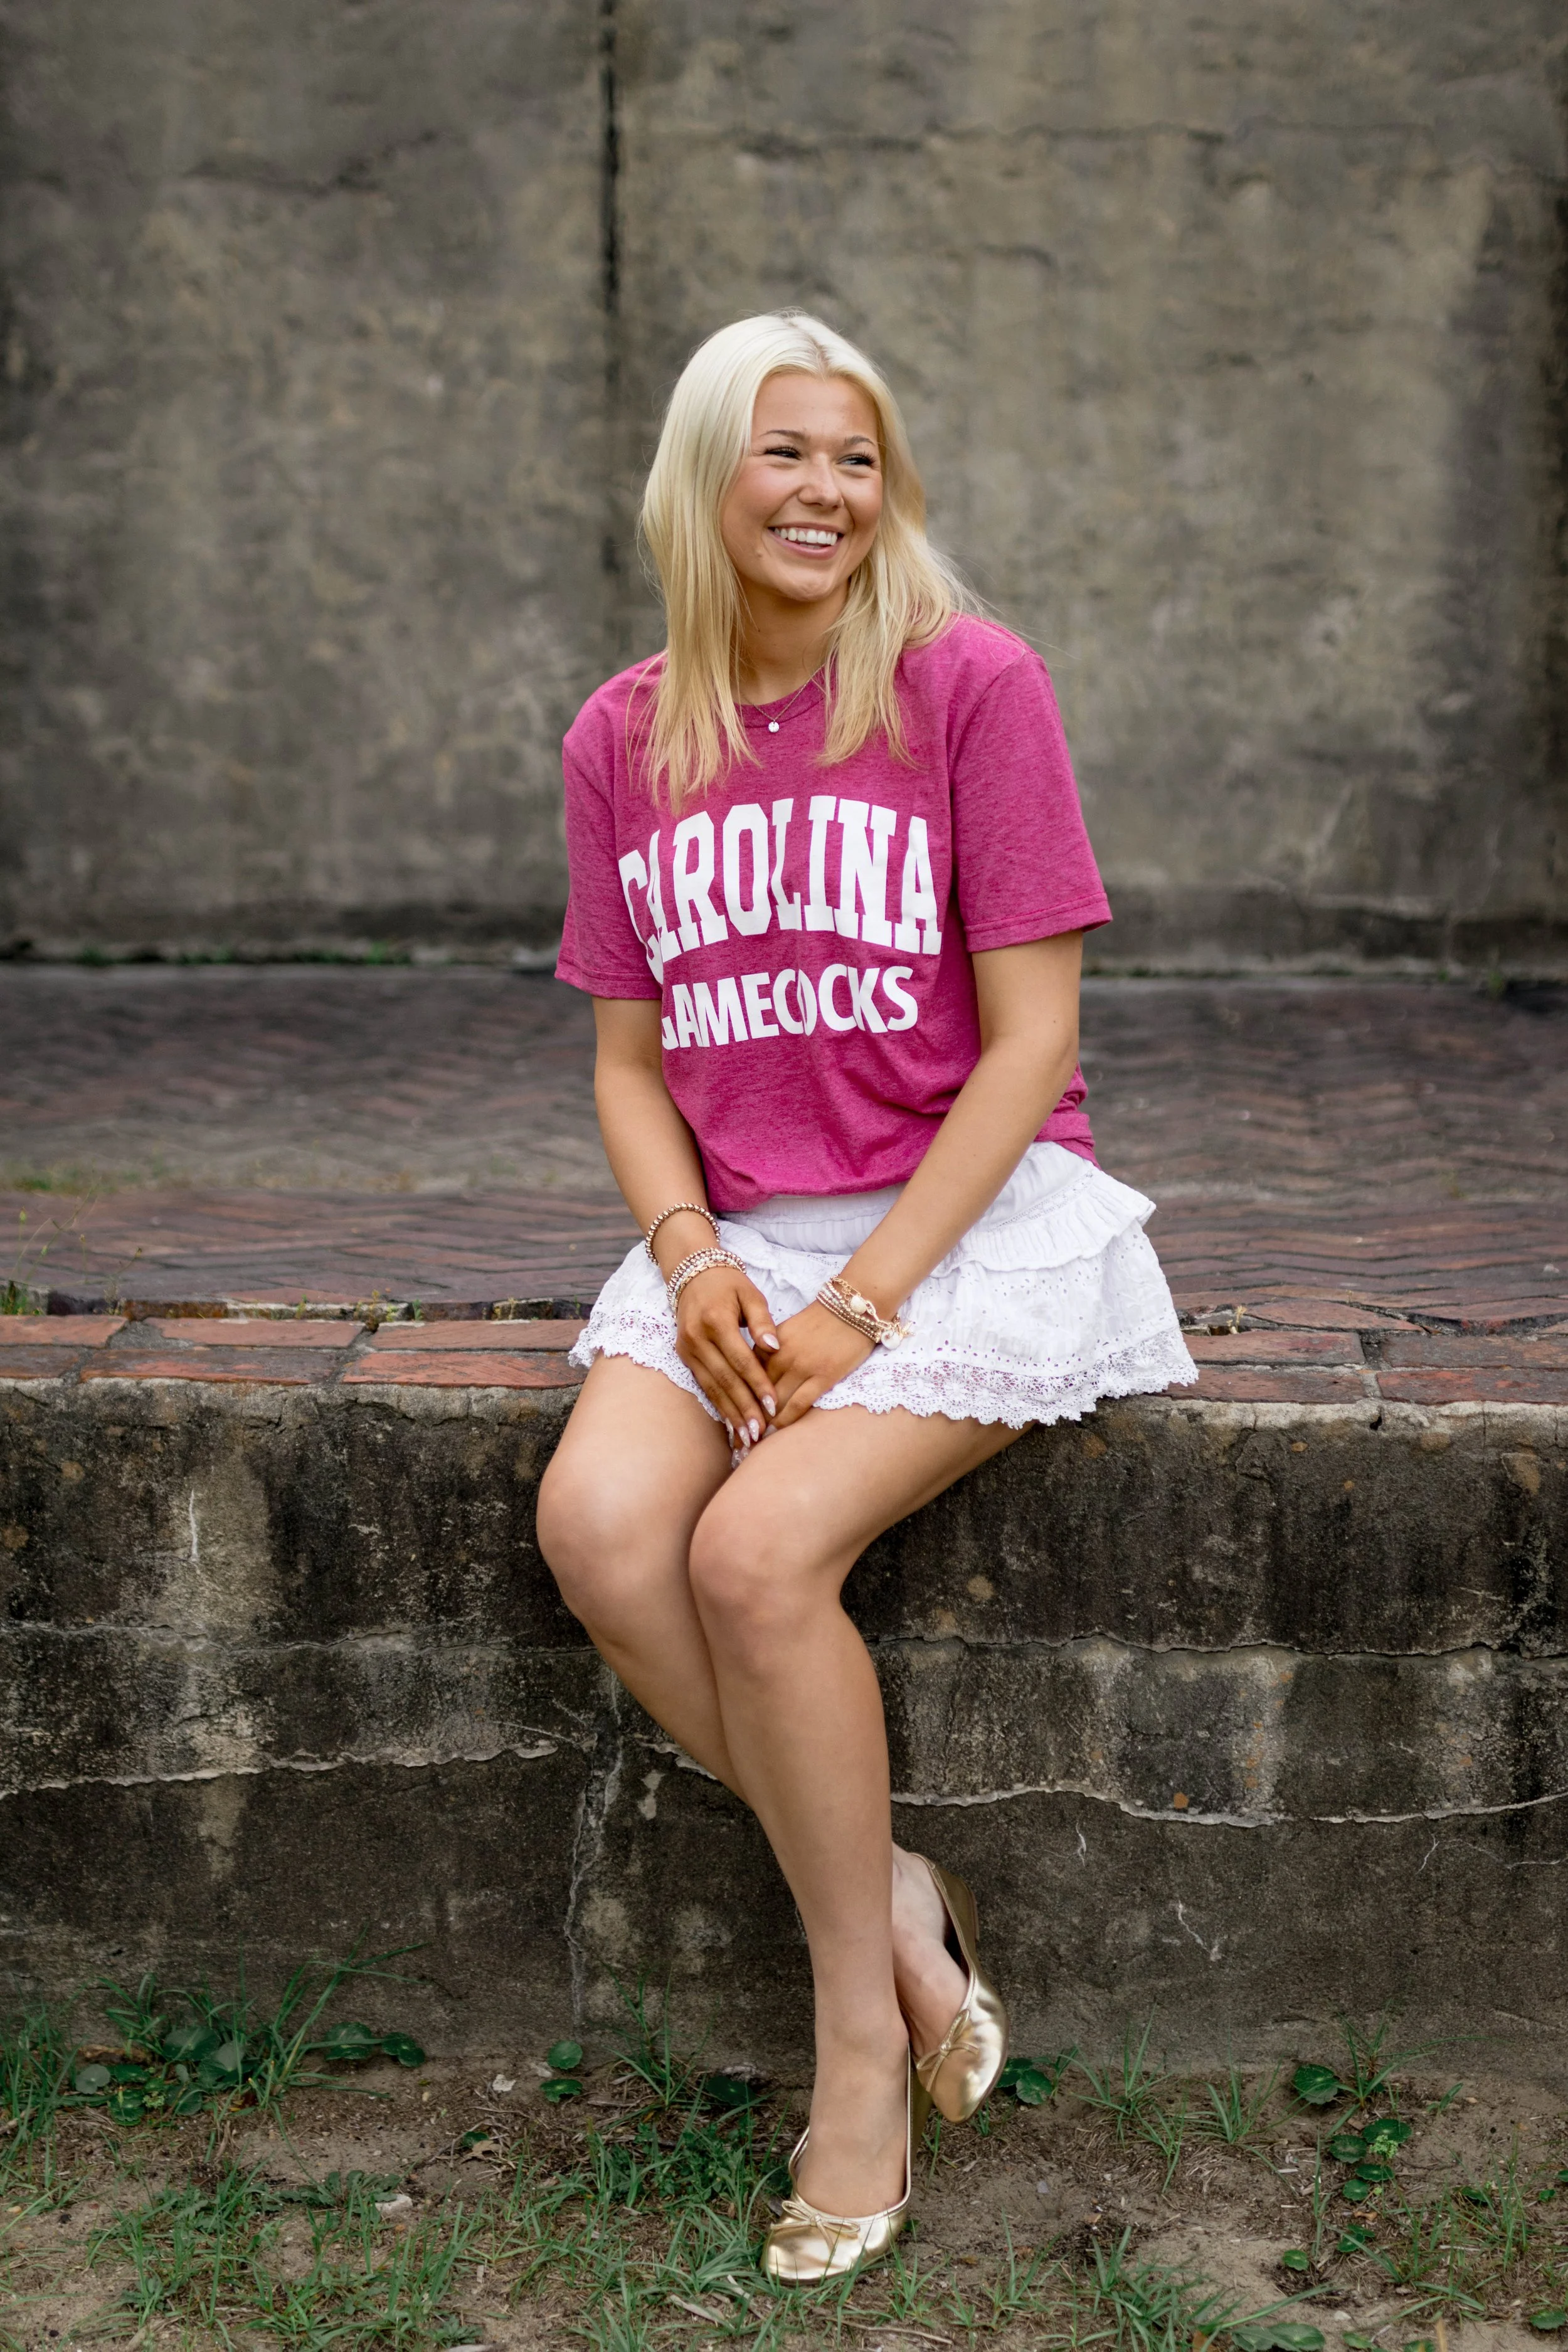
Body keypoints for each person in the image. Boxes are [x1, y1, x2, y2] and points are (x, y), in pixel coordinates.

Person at [537, 311, 1194, 2282]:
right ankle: (899, 1895)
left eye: (855, 455)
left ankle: (854, 2040)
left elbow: (1031, 1044)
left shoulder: (967, 687)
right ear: (703, 474)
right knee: (594, 1523)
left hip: (967, 1223)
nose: (825, 489)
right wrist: (696, 1259)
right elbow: (627, 1067)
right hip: (735, 1242)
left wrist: (870, 1302)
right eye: (782, 451)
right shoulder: (622, 733)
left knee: (752, 1559)